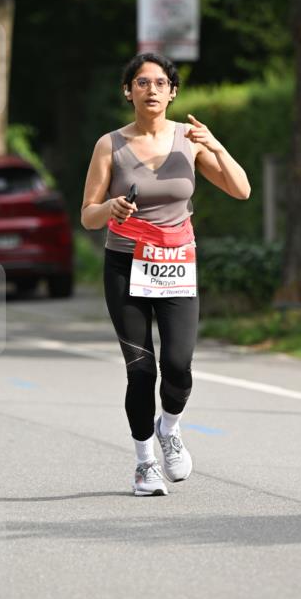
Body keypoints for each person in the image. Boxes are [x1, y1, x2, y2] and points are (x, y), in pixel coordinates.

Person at [81, 52, 251, 496]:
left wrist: (216, 146)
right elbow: (88, 216)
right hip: (125, 264)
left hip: (177, 264)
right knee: (141, 372)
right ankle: (144, 464)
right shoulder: (110, 145)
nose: (151, 89)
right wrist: (111, 207)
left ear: (172, 92)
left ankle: (169, 427)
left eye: (160, 83)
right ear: (129, 91)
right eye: (142, 82)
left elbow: (241, 189)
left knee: (178, 364)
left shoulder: (190, 141)